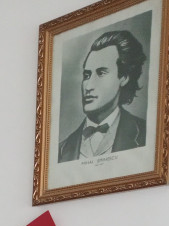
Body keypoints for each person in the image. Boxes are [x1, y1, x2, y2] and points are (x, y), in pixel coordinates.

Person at [58, 29, 147, 162]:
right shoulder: (61, 150)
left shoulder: (146, 134)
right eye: (87, 75)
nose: (88, 86)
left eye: (101, 73)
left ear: (124, 77)